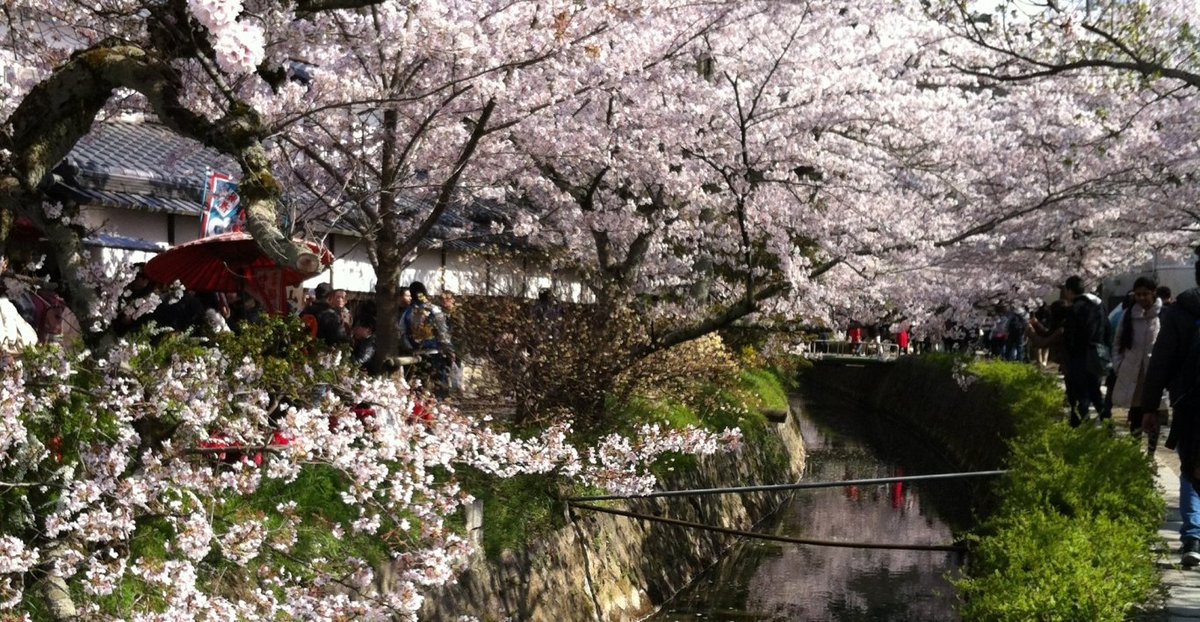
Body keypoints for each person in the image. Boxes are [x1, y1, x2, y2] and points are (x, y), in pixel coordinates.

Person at [1139, 254, 1200, 567]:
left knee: (1190, 467)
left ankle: (1192, 536)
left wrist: (1150, 407)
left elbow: (1160, 361)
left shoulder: (1179, 313)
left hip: (1189, 403)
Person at [1110, 277, 1162, 451]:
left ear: (1153, 293)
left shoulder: (1163, 314)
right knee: (1136, 414)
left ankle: (1151, 454)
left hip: (1155, 374)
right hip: (1133, 372)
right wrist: (1118, 365)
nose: (1141, 298)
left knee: (1154, 414)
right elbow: (1117, 343)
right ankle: (1134, 453)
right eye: (1138, 294)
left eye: (1145, 294)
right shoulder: (1128, 314)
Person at [1062, 275, 1110, 427]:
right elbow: (1108, 329)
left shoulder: (1075, 308)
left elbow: (1070, 337)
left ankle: (1083, 430)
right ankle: (1109, 426)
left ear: (1069, 291)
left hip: (1079, 356)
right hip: (1098, 354)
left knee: (1080, 395)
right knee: (1096, 394)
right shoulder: (1099, 305)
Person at [399, 281, 455, 396]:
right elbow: (443, 333)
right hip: (435, 354)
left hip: (416, 355)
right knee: (438, 387)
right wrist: (449, 350)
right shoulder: (434, 310)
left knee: (418, 388)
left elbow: (402, 333)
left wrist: (410, 348)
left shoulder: (406, 313)